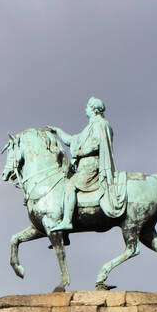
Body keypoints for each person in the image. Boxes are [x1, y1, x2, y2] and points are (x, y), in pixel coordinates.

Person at [48, 97, 121, 231]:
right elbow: (72, 140)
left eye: (87, 107)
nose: (85, 109)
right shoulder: (90, 126)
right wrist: (58, 131)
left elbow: (96, 144)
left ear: (93, 109)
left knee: (69, 185)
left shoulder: (100, 124)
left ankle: (67, 221)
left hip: (91, 165)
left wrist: (79, 153)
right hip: (84, 165)